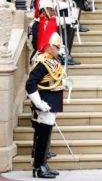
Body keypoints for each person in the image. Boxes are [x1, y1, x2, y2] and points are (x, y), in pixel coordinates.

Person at [26, 33, 66, 179]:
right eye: (56, 47)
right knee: (42, 136)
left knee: (45, 135)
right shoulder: (43, 62)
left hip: (52, 101)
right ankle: (38, 168)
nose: (58, 49)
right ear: (49, 47)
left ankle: (43, 164)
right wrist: (38, 103)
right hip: (45, 102)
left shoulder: (52, 60)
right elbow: (30, 84)